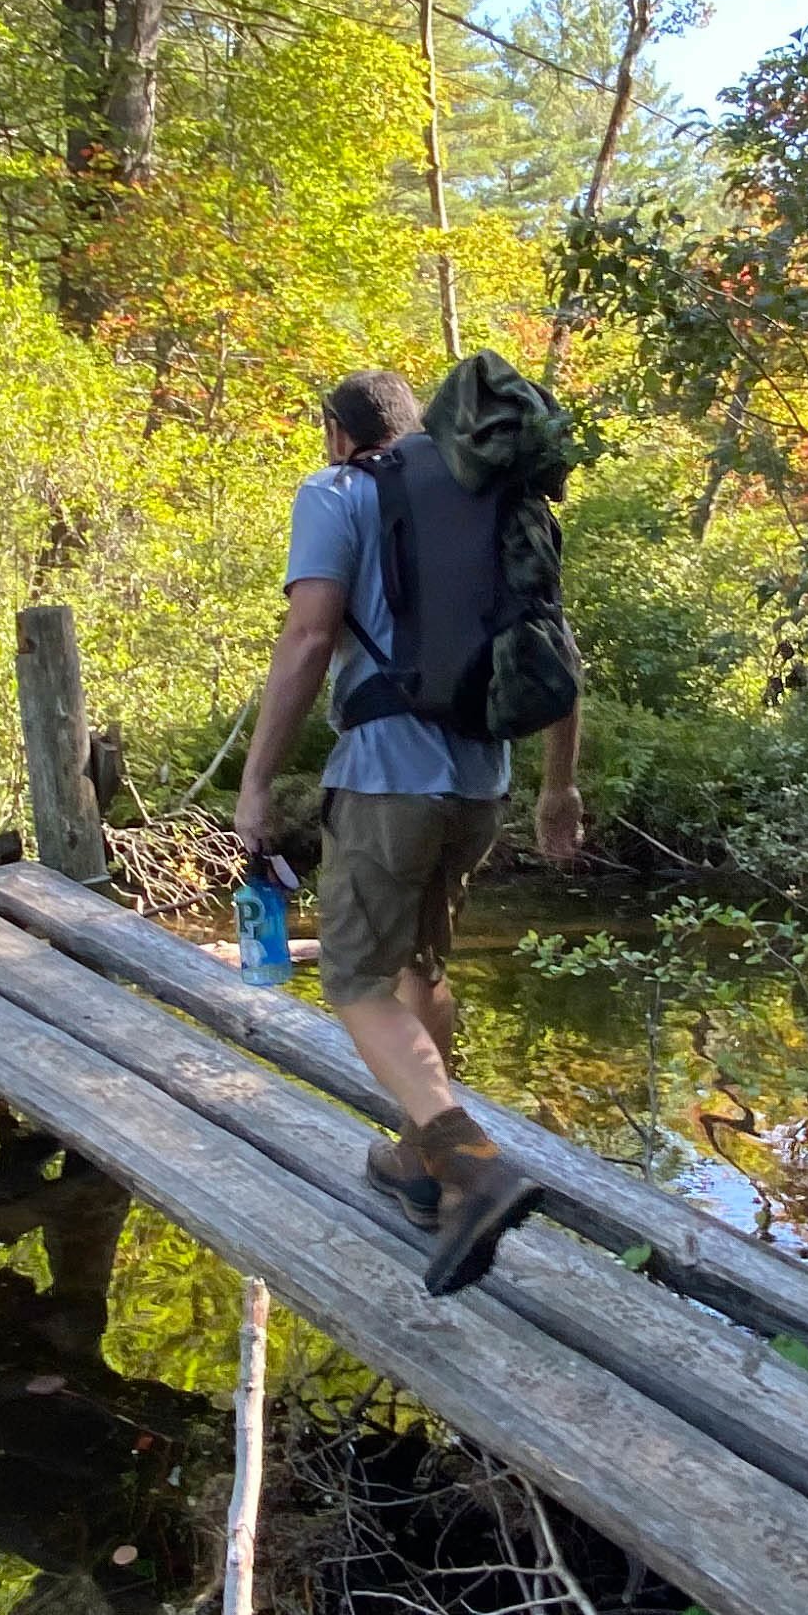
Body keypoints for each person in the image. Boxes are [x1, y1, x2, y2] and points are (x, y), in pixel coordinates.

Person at [235, 367, 584, 1295]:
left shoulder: (340, 489)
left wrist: (259, 780)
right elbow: (554, 647)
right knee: (418, 966)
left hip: (389, 776)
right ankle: (419, 1161)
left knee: (351, 976)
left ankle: (468, 1159)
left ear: (337, 431)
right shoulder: (505, 504)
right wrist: (560, 791)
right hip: (483, 782)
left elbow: (310, 638)